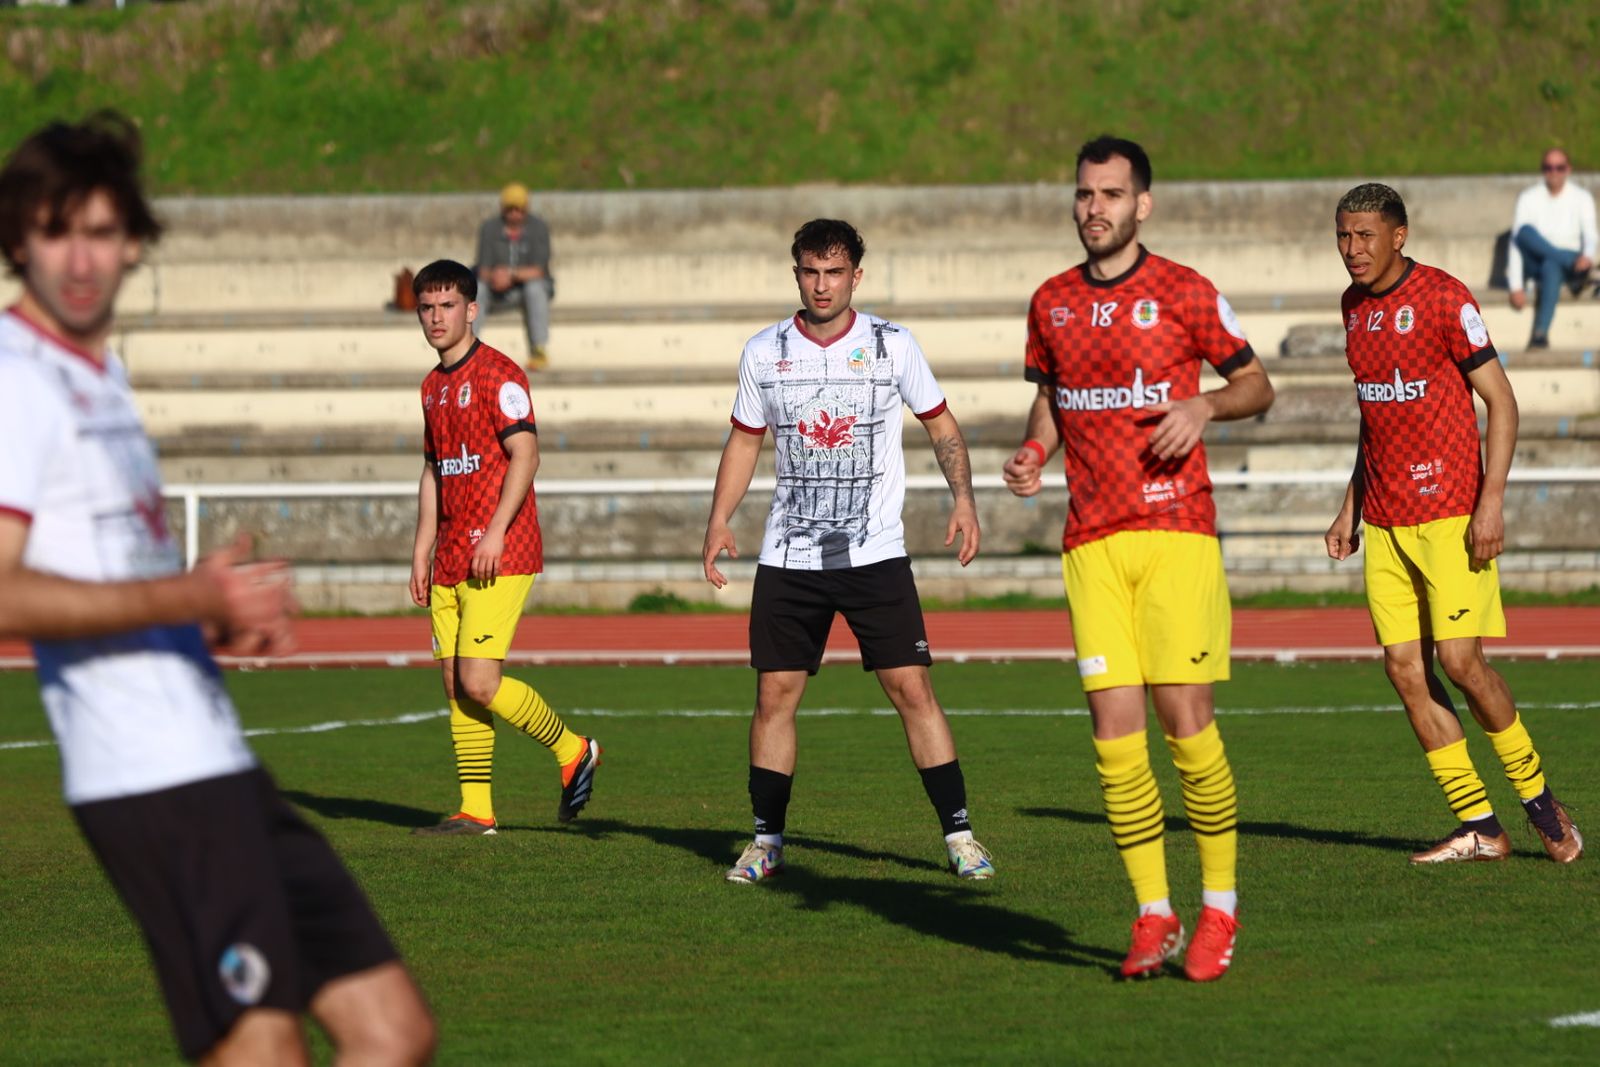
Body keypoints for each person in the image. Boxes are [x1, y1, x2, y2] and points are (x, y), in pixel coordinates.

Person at [0, 112, 436, 1064]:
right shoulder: (13, 377)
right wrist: (187, 602)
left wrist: (209, 627)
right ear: (16, 239)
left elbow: (110, 573)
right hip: (148, 781)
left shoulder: (99, 375)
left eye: (104, 231)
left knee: (393, 1029)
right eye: (55, 229)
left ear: (136, 244)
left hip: (212, 759)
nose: (81, 259)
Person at [1001, 136, 1274, 983]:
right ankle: (1154, 911)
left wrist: (1204, 404)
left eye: (1111, 194)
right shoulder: (1050, 302)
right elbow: (1052, 399)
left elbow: (1258, 386)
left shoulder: (1185, 291)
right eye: (1085, 194)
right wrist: (1033, 450)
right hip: (1090, 542)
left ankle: (1220, 908)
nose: (1095, 208)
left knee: (1185, 723)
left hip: (1177, 533)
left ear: (1141, 204)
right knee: (1113, 738)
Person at [702, 218, 995, 885]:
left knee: (911, 687)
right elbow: (745, 440)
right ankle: (766, 840)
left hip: (874, 553)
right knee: (775, 694)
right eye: (811, 271)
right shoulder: (764, 351)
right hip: (789, 555)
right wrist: (719, 518)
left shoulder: (894, 345)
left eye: (835, 272)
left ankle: (960, 834)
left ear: (856, 276)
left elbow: (941, 424)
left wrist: (965, 499)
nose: (822, 284)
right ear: (797, 274)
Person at [1327, 182, 1583, 867]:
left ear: (1399, 236)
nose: (1353, 249)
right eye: (1344, 236)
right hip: (1383, 520)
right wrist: (1352, 501)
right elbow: (1372, 412)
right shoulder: (1353, 307)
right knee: (1405, 670)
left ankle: (1538, 802)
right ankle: (1479, 824)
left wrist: (1490, 500)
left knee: (1461, 662)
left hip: (1447, 512)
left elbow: (1502, 401)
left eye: (1366, 236)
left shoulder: (1444, 297)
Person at [408, 258, 599, 836]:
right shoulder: (431, 387)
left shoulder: (500, 375)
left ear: (472, 310)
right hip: (449, 557)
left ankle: (573, 750)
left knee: (480, 682)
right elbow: (433, 471)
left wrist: (493, 530)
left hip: (500, 550)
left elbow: (527, 454)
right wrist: (420, 549)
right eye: (426, 307)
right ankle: (476, 810)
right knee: (454, 683)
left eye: (447, 306)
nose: (436, 317)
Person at [1506, 147, 1597, 349]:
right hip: (1539, 262)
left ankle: (1540, 333)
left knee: (1551, 265)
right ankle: (1577, 270)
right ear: (1543, 170)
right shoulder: (1528, 197)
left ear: (1568, 170)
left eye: (1559, 167)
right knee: (1525, 231)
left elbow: (1590, 235)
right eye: (1548, 167)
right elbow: (1517, 243)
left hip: (1563, 261)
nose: (1554, 172)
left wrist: (1587, 256)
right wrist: (1516, 286)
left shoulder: (1582, 197)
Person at [473, 181, 554, 370]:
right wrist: (495, 277)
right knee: (478, 288)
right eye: (510, 210)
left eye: (519, 210)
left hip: (527, 289)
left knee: (535, 288)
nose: (515, 214)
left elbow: (539, 270)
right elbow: (482, 268)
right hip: (495, 289)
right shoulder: (489, 228)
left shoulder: (538, 228)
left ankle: (538, 348)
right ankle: (469, 349)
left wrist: (511, 275)